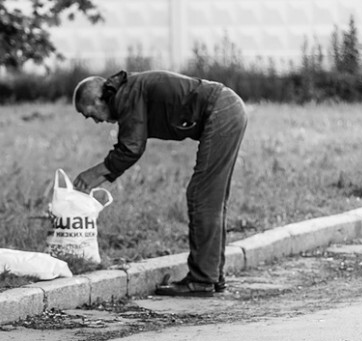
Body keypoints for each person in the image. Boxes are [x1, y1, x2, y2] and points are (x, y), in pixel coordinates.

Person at [72, 70, 248, 296]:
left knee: (203, 196)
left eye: (89, 114)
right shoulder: (128, 91)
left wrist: (91, 176)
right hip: (227, 108)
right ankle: (212, 275)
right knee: (209, 197)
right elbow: (131, 143)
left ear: (98, 98)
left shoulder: (126, 94)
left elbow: (131, 148)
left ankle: (202, 280)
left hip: (222, 110)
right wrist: (100, 176)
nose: (95, 121)